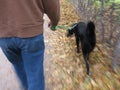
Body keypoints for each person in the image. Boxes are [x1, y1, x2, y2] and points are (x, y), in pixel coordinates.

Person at [0, 0, 60, 90]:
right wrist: (54, 22)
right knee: (34, 76)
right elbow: (52, 4)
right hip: (31, 32)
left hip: (4, 35)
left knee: (19, 66)